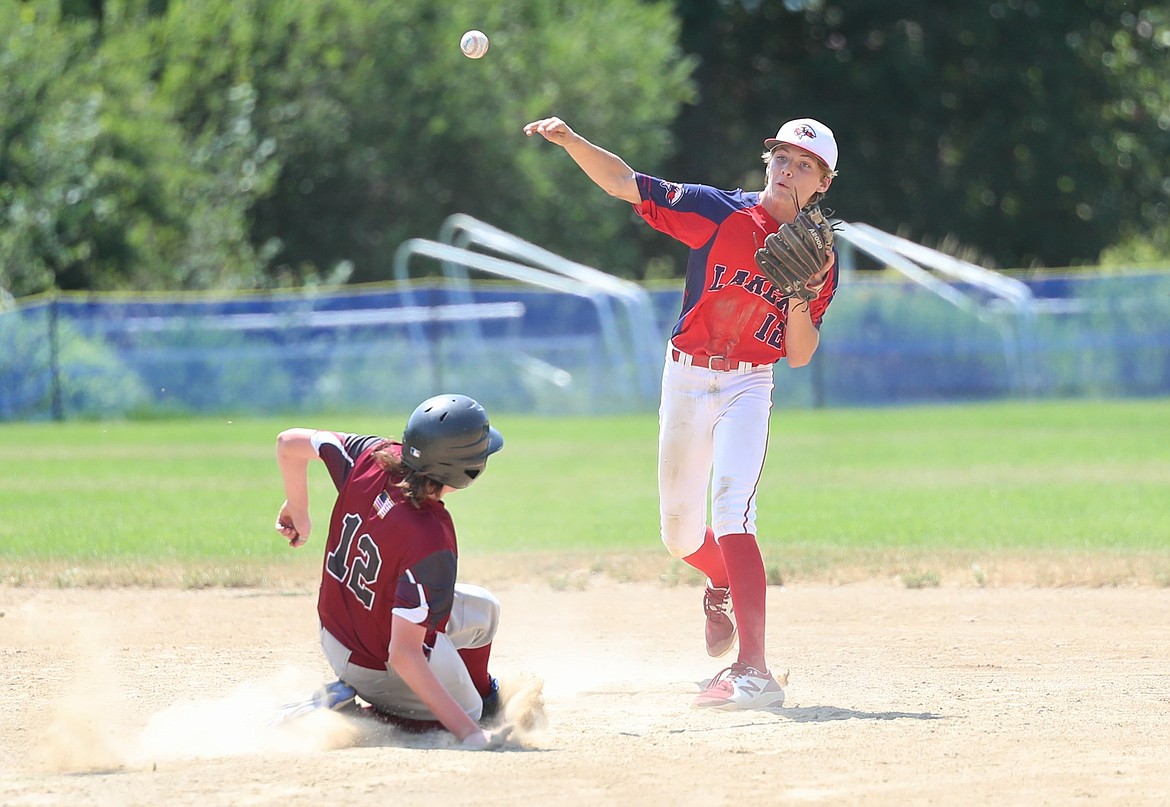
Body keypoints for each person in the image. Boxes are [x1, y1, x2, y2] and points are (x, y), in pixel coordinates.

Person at [523, 116, 840, 709]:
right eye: (782, 157)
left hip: (750, 384)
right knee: (678, 534)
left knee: (732, 513)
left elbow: (799, 354)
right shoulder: (720, 213)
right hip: (687, 375)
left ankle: (754, 671)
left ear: (823, 183)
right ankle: (719, 578)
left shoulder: (819, 257)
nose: (787, 169)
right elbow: (625, 183)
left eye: (804, 165)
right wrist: (571, 141)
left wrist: (799, 295)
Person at [274, 393, 505, 748]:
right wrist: (469, 732)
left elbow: (288, 442)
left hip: (334, 632)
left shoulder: (371, 456)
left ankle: (485, 698)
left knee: (483, 609)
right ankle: (362, 711)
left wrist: (298, 508)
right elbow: (403, 654)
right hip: (375, 663)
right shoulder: (431, 537)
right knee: (463, 714)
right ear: (467, 471)